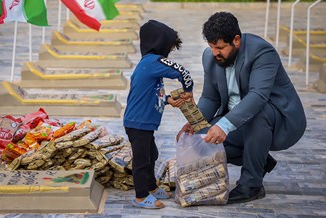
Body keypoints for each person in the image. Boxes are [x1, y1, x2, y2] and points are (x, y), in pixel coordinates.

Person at [179, 12, 307, 204]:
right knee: (200, 137)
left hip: (278, 119)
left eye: (220, 47)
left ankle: (251, 184)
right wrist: (193, 123)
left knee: (257, 113)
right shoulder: (210, 57)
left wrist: (224, 126)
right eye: (211, 47)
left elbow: (258, 96)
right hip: (239, 119)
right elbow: (210, 97)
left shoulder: (262, 53)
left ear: (236, 40)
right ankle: (260, 160)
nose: (215, 53)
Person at [124, 19, 194, 209]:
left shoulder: (147, 63)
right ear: (160, 44)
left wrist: (167, 100)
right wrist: (189, 90)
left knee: (151, 155)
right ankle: (140, 196)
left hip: (141, 122)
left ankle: (151, 187)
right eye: (169, 49)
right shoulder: (154, 61)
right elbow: (183, 72)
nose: (168, 53)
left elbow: (148, 93)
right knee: (141, 160)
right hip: (138, 123)